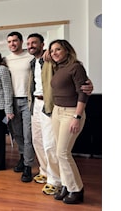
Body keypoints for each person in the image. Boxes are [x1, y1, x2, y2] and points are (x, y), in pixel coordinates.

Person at [26, 33, 94, 195]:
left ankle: (61, 182)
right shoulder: (39, 63)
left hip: (56, 107)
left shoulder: (58, 62)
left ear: (43, 45)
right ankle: (55, 177)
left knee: (55, 148)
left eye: (34, 43)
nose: (30, 46)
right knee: (42, 143)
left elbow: (78, 80)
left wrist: (88, 85)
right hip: (43, 105)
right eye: (28, 43)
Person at [48, 39, 89, 205]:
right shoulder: (58, 67)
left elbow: (83, 93)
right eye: (52, 51)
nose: (54, 53)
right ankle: (66, 185)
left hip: (71, 113)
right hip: (57, 111)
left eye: (58, 49)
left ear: (67, 50)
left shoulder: (76, 67)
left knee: (63, 153)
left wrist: (77, 117)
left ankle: (77, 189)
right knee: (60, 153)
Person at [4, 31, 35, 182]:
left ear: (21, 41)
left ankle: (28, 166)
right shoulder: (6, 60)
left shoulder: (31, 57)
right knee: (17, 134)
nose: (12, 44)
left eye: (15, 41)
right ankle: (23, 157)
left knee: (28, 134)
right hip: (11, 101)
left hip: (28, 101)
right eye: (9, 41)